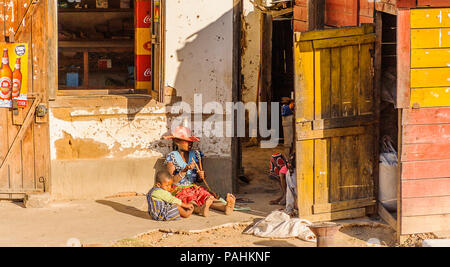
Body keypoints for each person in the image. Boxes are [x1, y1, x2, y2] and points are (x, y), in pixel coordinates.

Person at [164, 126, 236, 217]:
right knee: (189, 199)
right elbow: (171, 181)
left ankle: (225, 207)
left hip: (194, 187)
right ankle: (200, 209)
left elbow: (199, 179)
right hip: (179, 189)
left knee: (207, 196)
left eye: (191, 141)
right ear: (176, 141)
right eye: (187, 141)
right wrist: (184, 171)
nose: (190, 143)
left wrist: (201, 176)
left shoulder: (196, 154)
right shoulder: (172, 157)